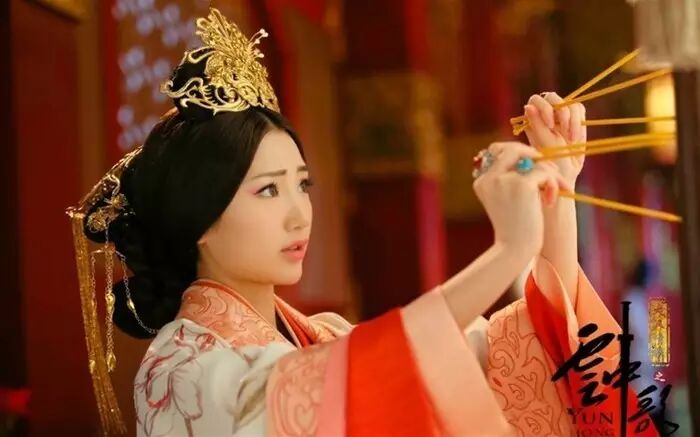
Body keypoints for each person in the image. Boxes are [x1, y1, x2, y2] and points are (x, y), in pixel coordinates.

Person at [68, 8, 658, 437]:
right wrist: (507, 251)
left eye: (302, 184)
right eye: (268, 190)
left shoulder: (320, 334)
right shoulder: (179, 368)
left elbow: (521, 350)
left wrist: (558, 191)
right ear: (201, 216)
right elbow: (339, 384)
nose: (299, 213)